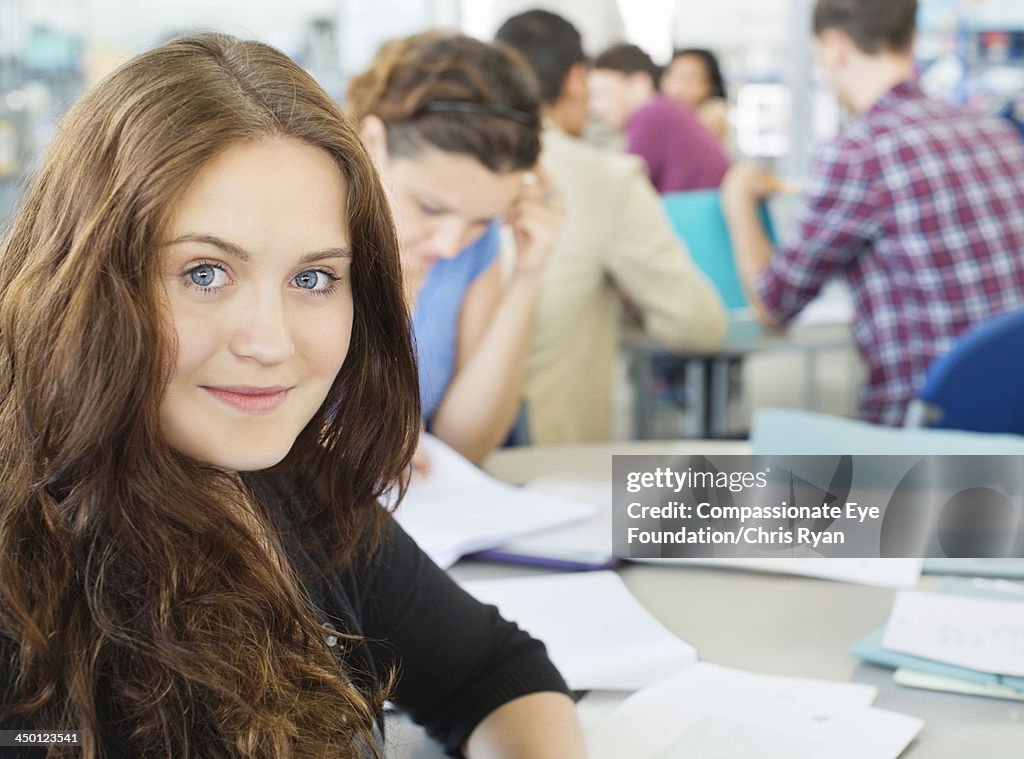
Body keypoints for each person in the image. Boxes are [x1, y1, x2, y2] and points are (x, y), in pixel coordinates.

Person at [0, 32, 585, 758]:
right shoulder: (26, 590)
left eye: (312, 279)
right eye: (205, 273)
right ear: (88, 275)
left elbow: (494, 671)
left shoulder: (299, 491)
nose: (270, 342)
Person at [722, 0, 1024, 426]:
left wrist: (738, 200)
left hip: (916, 435)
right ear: (911, 39)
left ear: (834, 47)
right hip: (1010, 424)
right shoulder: (998, 135)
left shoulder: (860, 152)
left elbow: (774, 305)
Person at [495, 10, 727, 443]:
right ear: (575, 81)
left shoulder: (453, 167)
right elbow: (699, 325)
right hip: (548, 465)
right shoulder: (604, 177)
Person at [346, 32, 563, 463]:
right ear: (372, 141)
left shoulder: (473, 246)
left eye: (484, 219)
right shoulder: (305, 239)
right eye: (429, 207)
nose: (450, 244)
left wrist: (529, 274)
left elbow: (468, 443)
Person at [588, 43, 730, 194]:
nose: (594, 107)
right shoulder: (668, 111)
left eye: (601, 94)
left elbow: (620, 186)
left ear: (638, 84)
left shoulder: (651, 114)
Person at [660, 48, 730, 143]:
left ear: (709, 86)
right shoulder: (664, 110)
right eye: (670, 74)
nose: (675, 84)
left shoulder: (713, 114)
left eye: (688, 78)